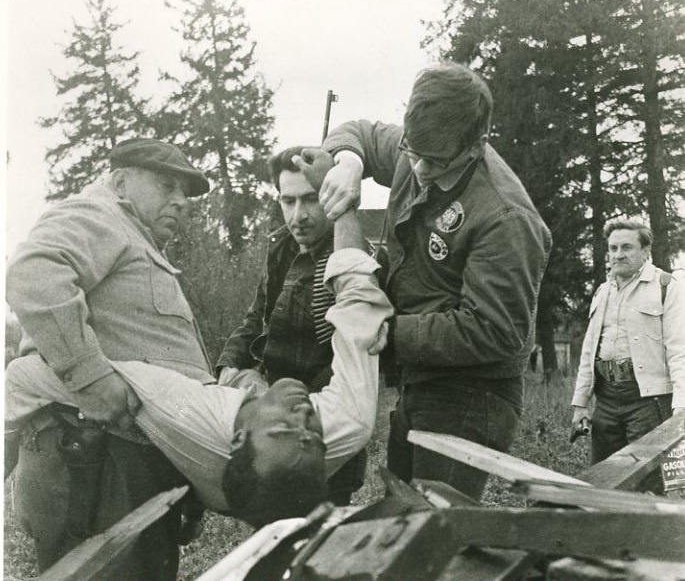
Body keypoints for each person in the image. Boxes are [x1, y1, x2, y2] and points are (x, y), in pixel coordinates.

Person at [6, 206, 393, 530]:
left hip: (198, 442)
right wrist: (342, 203)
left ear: (237, 439)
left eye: (282, 429)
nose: (304, 413)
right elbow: (359, 309)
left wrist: (14, 435)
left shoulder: (180, 405)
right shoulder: (347, 423)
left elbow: (23, 376)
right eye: (315, 433)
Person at [299, 62, 552, 500]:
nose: (417, 169)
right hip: (422, 381)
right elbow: (359, 132)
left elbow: (497, 330)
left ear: (476, 145)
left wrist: (389, 331)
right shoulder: (421, 147)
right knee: (403, 514)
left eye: (435, 162)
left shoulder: (505, 218)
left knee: (434, 527)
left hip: (472, 396)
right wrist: (349, 162)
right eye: (411, 152)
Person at [5, 138, 213, 580]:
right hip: (93, 460)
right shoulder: (101, 213)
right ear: (120, 182)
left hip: (126, 459)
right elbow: (34, 272)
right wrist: (91, 377)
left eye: (185, 193)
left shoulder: (135, 235)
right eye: (166, 185)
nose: (180, 201)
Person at [215, 146, 380, 505]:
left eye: (311, 199)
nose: (299, 215)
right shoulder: (281, 250)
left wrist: (293, 405)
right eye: (288, 201)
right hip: (271, 416)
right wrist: (230, 366)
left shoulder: (351, 256)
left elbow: (352, 349)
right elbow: (256, 317)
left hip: (321, 421)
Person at [571, 220, 685, 463]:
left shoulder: (666, 286)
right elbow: (589, 351)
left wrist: (681, 406)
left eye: (626, 247)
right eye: (613, 248)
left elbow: (679, 350)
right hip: (606, 401)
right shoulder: (602, 292)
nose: (618, 255)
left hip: (649, 401)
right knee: (604, 473)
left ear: (646, 251)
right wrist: (580, 404)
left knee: (647, 474)